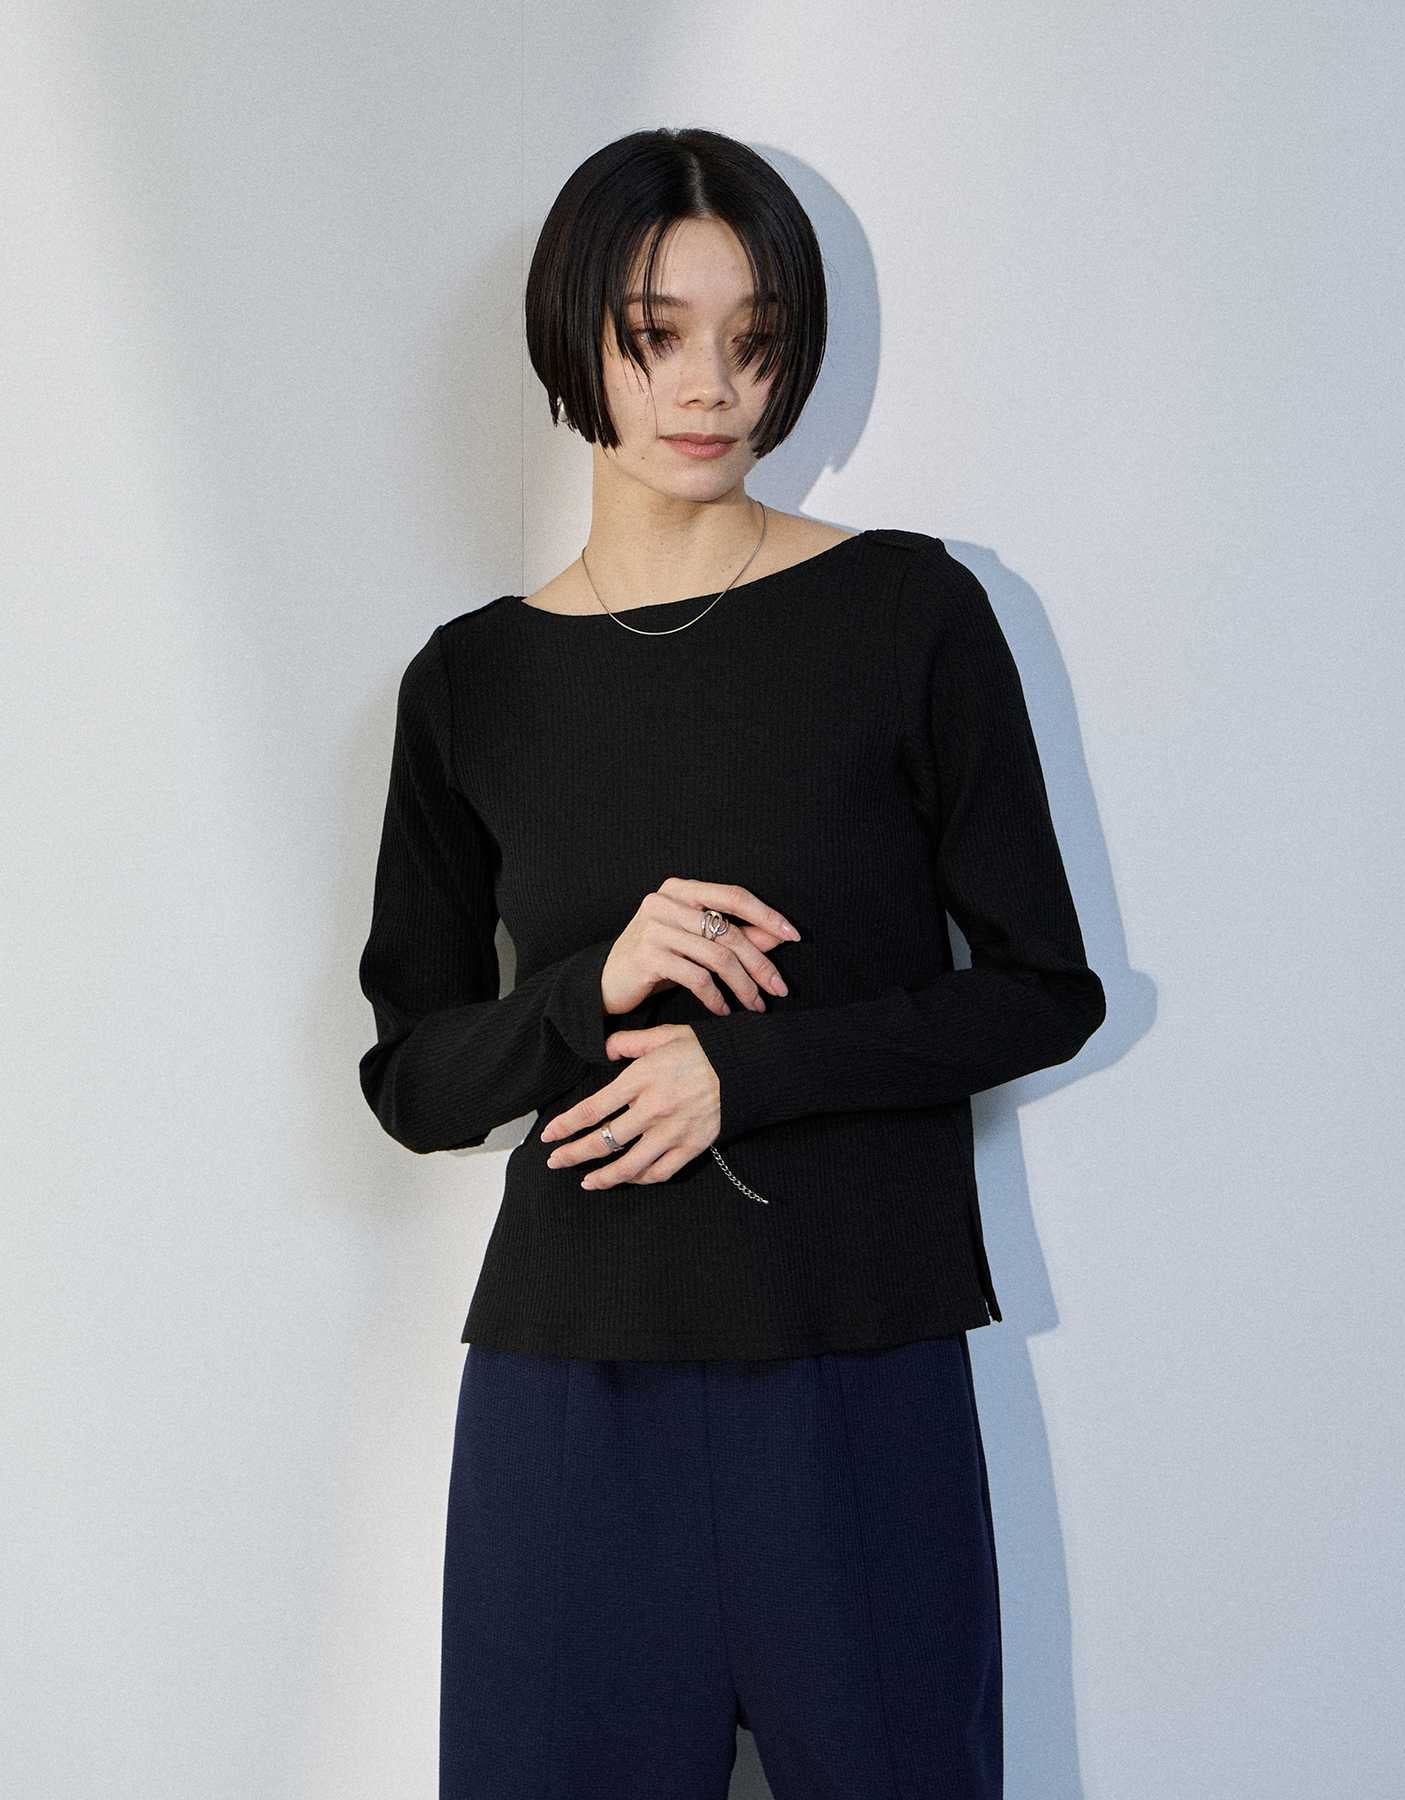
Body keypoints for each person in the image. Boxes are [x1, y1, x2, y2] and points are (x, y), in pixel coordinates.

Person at [357, 125, 1105, 1800]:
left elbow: (1045, 985)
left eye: (755, 339)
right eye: (656, 334)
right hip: (574, 1388)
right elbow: (413, 1080)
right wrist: (593, 989)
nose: (711, 386)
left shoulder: (911, 613)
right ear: (577, 335)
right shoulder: (473, 682)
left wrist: (744, 1074)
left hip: (860, 1365)